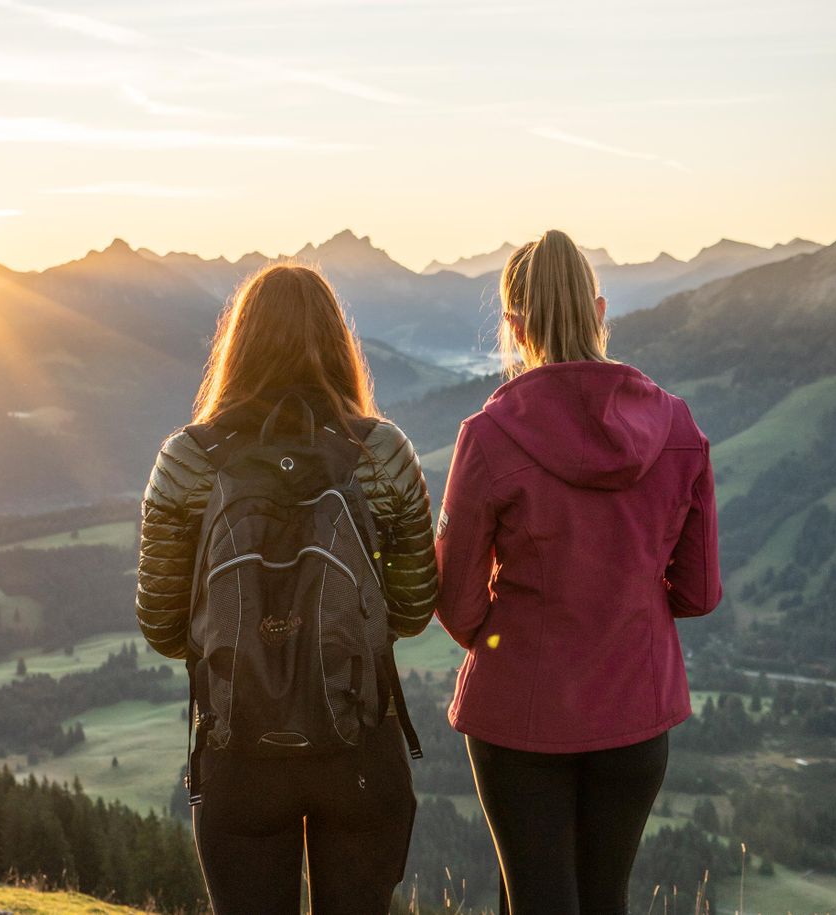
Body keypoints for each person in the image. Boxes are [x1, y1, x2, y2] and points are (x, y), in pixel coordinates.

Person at [135, 263, 438, 914]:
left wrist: (254, 643)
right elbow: (414, 610)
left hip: (237, 751)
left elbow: (162, 625)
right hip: (359, 743)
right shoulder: (382, 453)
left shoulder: (186, 460)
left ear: (237, 344)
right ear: (338, 343)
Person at [434, 230, 722, 915]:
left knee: (534, 898)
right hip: (637, 709)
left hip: (519, 715)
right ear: (599, 312)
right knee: (603, 898)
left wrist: (507, 637)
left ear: (515, 327)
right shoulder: (678, 428)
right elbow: (698, 591)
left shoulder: (489, 436)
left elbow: (456, 601)